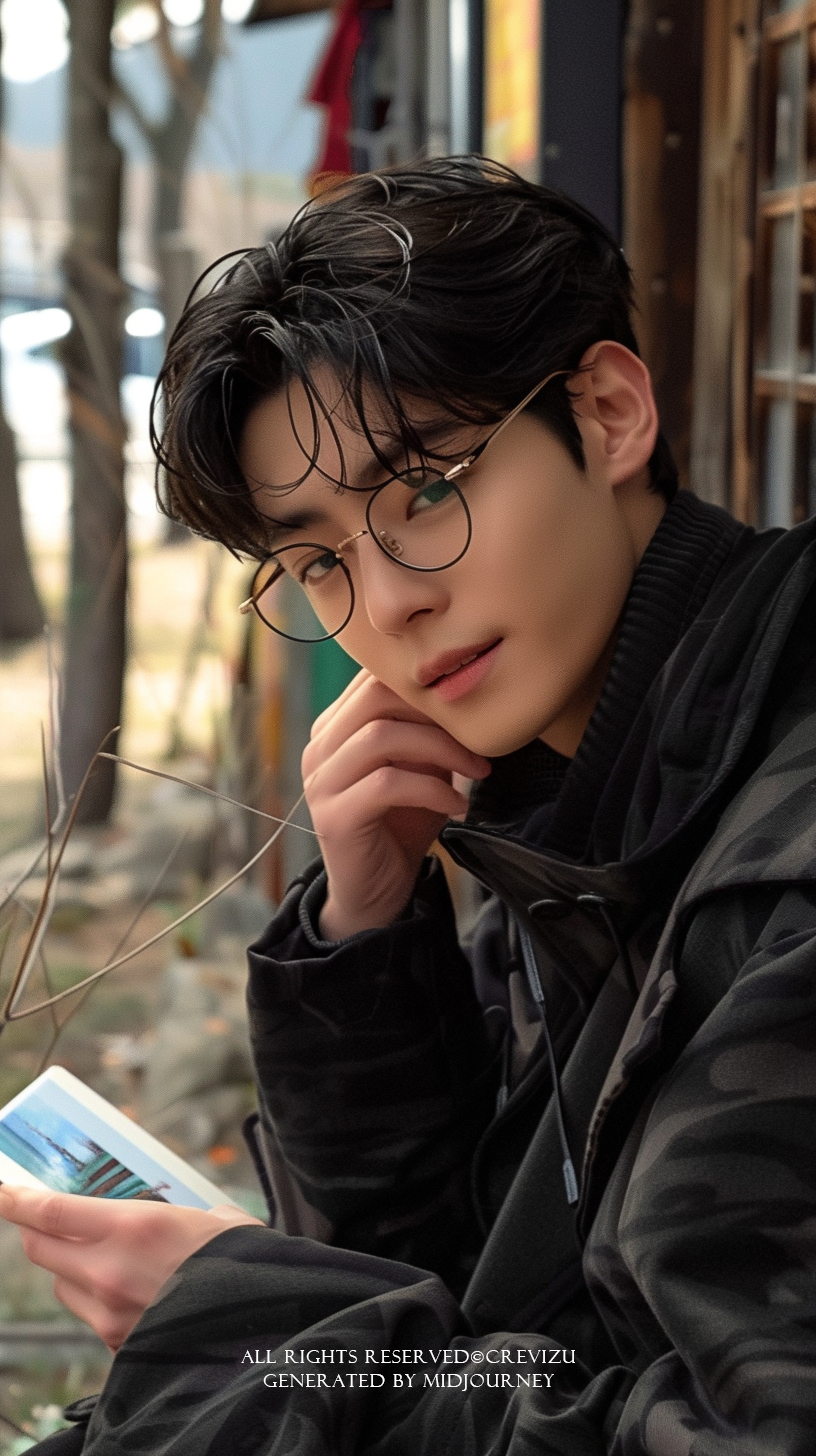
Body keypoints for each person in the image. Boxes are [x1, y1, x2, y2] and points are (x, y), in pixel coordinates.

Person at [4, 156, 816, 1455]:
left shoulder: (771, 858)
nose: (386, 607)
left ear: (607, 413)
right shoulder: (582, 794)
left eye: (427, 492)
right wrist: (372, 941)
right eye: (319, 560)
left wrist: (258, 1344)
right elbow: (472, 1305)